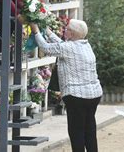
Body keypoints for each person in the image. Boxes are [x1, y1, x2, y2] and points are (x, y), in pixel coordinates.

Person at [30, 20, 102, 152]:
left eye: (67, 29)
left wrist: (36, 32)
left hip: (77, 96)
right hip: (94, 94)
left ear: (73, 33)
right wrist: (49, 33)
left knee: (76, 132)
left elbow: (46, 48)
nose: (64, 30)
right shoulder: (86, 45)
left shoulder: (68, 48)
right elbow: (62, 45)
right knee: (89, 130)